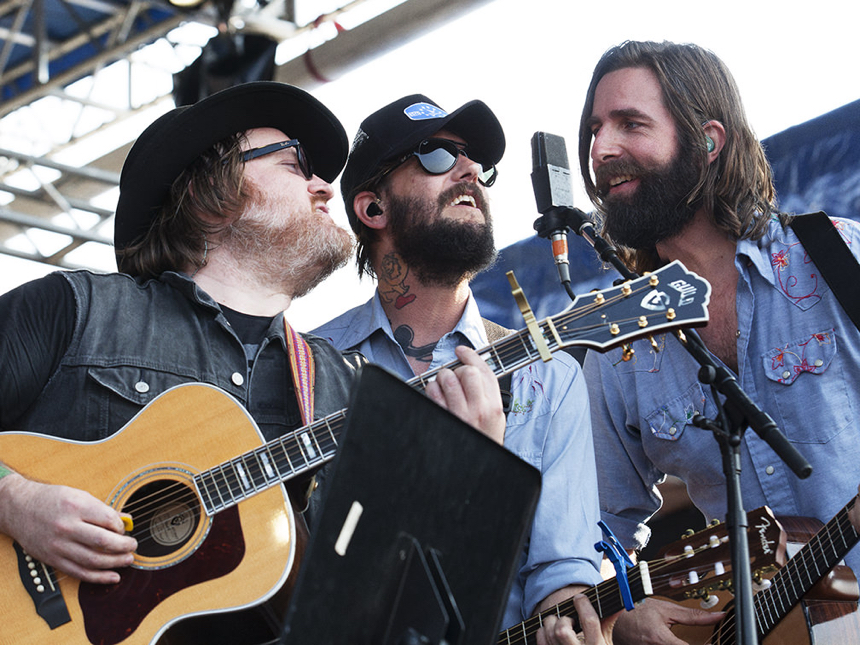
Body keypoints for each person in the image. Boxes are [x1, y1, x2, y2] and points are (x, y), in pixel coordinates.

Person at [0, 81, 506, 644]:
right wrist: (13, 498)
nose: (324, 188)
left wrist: (464, 476)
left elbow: (383, 617)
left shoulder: (344, 388)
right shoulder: (75, 310)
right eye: (296, 165)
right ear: (209, 192)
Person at [577, 40, 860, 644]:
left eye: (631, 124)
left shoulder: (838, 256)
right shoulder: (617, 343)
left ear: (709, 140)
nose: (602, 149)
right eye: (596, 130)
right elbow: (596, 532)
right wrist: (625, 613)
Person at [313, 94, 608, 643]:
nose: (469, 169)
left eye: (475, 160)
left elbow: (562, 574)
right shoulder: (307, 364)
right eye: (436, 156)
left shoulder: (548, 376)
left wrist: (567, 621)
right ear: (372, 209)